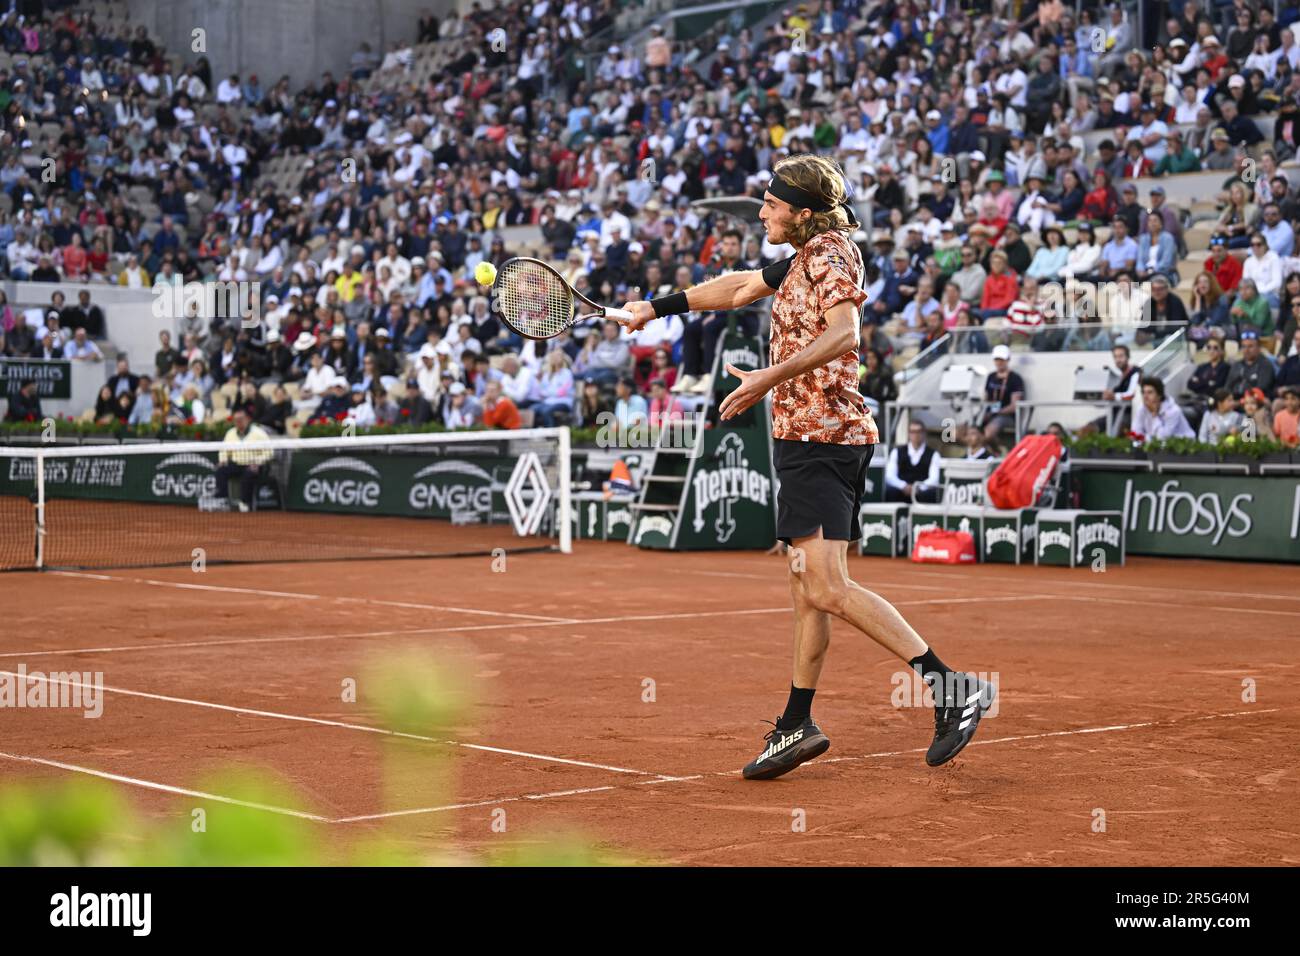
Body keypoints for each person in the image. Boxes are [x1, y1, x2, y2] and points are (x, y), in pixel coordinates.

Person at [619, 154, 995, 780]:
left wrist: (769, 376)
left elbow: (845, 334)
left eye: (770, 203)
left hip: (825, 441)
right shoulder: (799, 257)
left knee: (825, 587)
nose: (761, 211)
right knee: (806, 593)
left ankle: (951, 687)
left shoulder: (828, 253)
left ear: (801, 211)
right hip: (807, 442)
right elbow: (738, 286)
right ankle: (796, 722)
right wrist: (653, 308)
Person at [215, 408, 272, 512]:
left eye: (241, 419)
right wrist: (222, 460)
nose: (238, 422)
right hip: (237, 463)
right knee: (221, 470)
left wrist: (257, 462)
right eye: (236, 420)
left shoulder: (259, 433)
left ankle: (245, 503)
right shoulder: (230, 433)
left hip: (255, 465)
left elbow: (269, 452)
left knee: (249, 474)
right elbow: (223, 451)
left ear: (248, 419)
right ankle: (222, 500)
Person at [979, 344, 1025, 449]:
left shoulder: (1015, 379)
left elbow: (1014, 406)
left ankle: (998, 450)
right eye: (997, 359)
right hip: (991, 413)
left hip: (1007, 416)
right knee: (971, 429)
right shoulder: (991, 377)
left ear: (1008, 360)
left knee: (989, 432)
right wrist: (984, 411)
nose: (999, 362)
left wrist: (996, 412)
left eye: (1002, 359)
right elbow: (986, 398)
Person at [885, 420, 942, 503]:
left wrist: (918, 488)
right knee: (891, 492)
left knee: (930, 494)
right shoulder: (897, 452)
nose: (916, 435)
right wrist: (903, 486)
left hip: (922, 492)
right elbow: (889, 476)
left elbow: (934, 479)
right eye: (913, 432)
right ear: (909, 434)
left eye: (919, 431)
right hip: (902, 491)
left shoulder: (933, 454)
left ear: (924, 433)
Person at [1132, 375, 1195, 440]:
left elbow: (1162, 438)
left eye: (1150, 392)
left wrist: (1154, 416)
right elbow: (1135, 434)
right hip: (1158, 447)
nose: (1145, 396)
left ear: (1159, 395)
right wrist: (1147, 438)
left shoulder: (1173, 411)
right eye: (1143, 392)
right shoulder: (1142, 409)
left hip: (1185, 446)